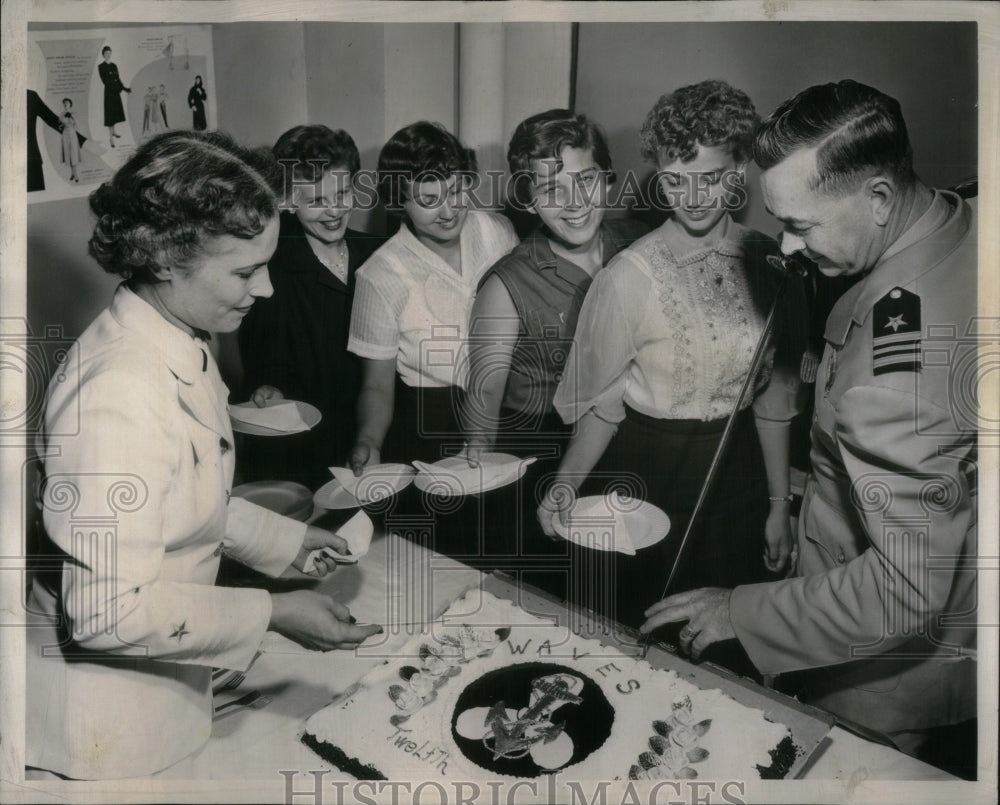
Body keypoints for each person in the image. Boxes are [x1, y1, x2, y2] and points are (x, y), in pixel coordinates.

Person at [640, 80, 978, 779]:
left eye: (803, 224)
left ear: (879, 198)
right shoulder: (966, 216)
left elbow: (903, 590)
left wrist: (742, 611)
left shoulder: (896, 379)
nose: (788, 247)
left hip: (880, 667)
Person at [25, 131, 381, 780]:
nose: (267, 289)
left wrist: (285, 541)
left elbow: (181, 497)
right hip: (107, 716)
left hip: (168, 678)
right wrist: (271, 609)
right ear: (165, 256)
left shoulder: (180, 331)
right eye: (245, 270)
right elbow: (107, 611)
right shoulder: (114, 396)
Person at [538, 81, 806, 635]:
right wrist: (565, 484)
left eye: (710, 178)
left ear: (739, 172)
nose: (693, 197)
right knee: (643, 636)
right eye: (674, 181)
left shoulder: (774, 265)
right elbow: (602, 406)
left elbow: (774, 398)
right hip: (645, 473)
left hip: (739, 475)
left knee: (725, 641)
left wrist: (779, 503)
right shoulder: (627, 277)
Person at [462, 109, 647, 585]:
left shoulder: (642, 248)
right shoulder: (505, 286)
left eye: (585, 181)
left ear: (606, 179)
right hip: (546, 466)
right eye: (550, 190)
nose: (574, 203)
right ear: (528, 200)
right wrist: (478, 472)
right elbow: (482, 410)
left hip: (636, 460)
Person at [347, 121, 518, 473]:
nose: (448, 211)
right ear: (400, 202)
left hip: (507, 404)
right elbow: (377, 386)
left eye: (455, 191)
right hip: (435, 425)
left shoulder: (498, 232)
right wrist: (369, 441)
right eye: (428, 200)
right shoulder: (378, 275)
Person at [238, 125, 382, 487]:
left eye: (343, 193)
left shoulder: (378, 253)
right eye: (316, 200)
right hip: (302, 457)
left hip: (373, 444)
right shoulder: (269, 269)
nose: (334, 210)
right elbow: (264, 363)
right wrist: (268, 390)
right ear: (288, 201)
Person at [98, 46, 130, 147]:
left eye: (109, 53)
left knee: (115, 113)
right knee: (110, 115)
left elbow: (117, 78)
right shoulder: (101, 66)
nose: (108, 54)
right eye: (106, 53)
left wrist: (125, 89)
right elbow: (105, 81)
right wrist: (116, 86)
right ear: (103, 54)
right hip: (109, 93)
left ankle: (114, 132)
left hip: (115, 92)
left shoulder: (114, 65)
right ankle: (110, 138)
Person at [60, 98, 81, 182]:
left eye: (67, 103)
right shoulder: (61, 114)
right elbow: (61, 124)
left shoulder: (74, 113)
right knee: (68, 154)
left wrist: (71, 117)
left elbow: (76, 125)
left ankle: (75, 175)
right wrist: (61, 125)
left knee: (73, 154)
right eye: (64, 103)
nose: (65, 104)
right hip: (65, 134)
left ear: (70, 104)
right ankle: (73, 173)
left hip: (72, 134)